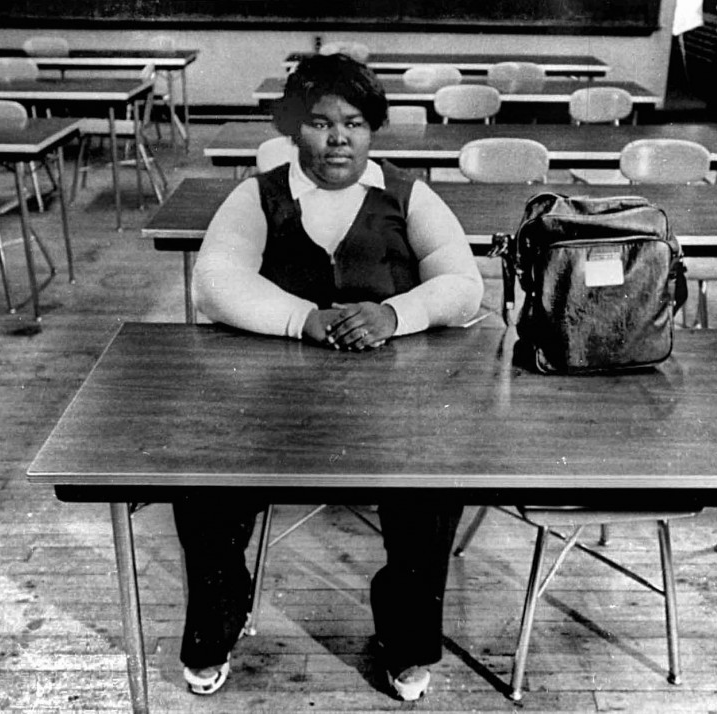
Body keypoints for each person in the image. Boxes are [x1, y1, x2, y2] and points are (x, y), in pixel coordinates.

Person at [174, 52, 484, 702]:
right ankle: (214, 628)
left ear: (373, 129)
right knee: (201, 485)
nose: (338, 138)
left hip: (391, 404)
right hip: (270, 401)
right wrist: (303, 320)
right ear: (293, 128)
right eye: (319, 123)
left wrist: (395, 314)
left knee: (431, 490)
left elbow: (462, 287)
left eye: (354, 122)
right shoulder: (257, 194)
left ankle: (405, 645)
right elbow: (216, 282)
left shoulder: (407, 193)